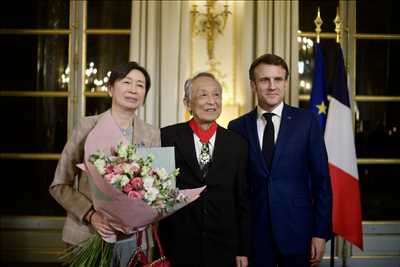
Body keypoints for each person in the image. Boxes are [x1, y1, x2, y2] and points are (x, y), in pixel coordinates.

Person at [49, 61, 160, 267]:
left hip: (134, 241)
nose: (133, 89)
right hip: (86, 235)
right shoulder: (86, 127)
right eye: (126, 82)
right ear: (110, 88)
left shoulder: (152, 134)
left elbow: (155, 189)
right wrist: (91, 215)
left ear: (145, 95)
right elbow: (59, 185)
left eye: (140, 85)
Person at [228, 54, 332, 267]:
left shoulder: (307, 122)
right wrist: (239, 243)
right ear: (253, 84)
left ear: (286, 83)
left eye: (278, 79)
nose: (271, 86)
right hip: (254, 236)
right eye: (264, 80)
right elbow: (236, 191)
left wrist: (320, 233)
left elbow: (322, 182)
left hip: (298, 232)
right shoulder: (236, 127)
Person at [158, 72, 249, 267]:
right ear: (187, 102)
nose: (211, 101)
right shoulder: (166, 138)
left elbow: (242, 200)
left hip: (224, 248)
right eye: (203, 95)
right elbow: (158, 195)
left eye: (216, 95)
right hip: (177, 246)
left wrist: (242, 249)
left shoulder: (237, 144)